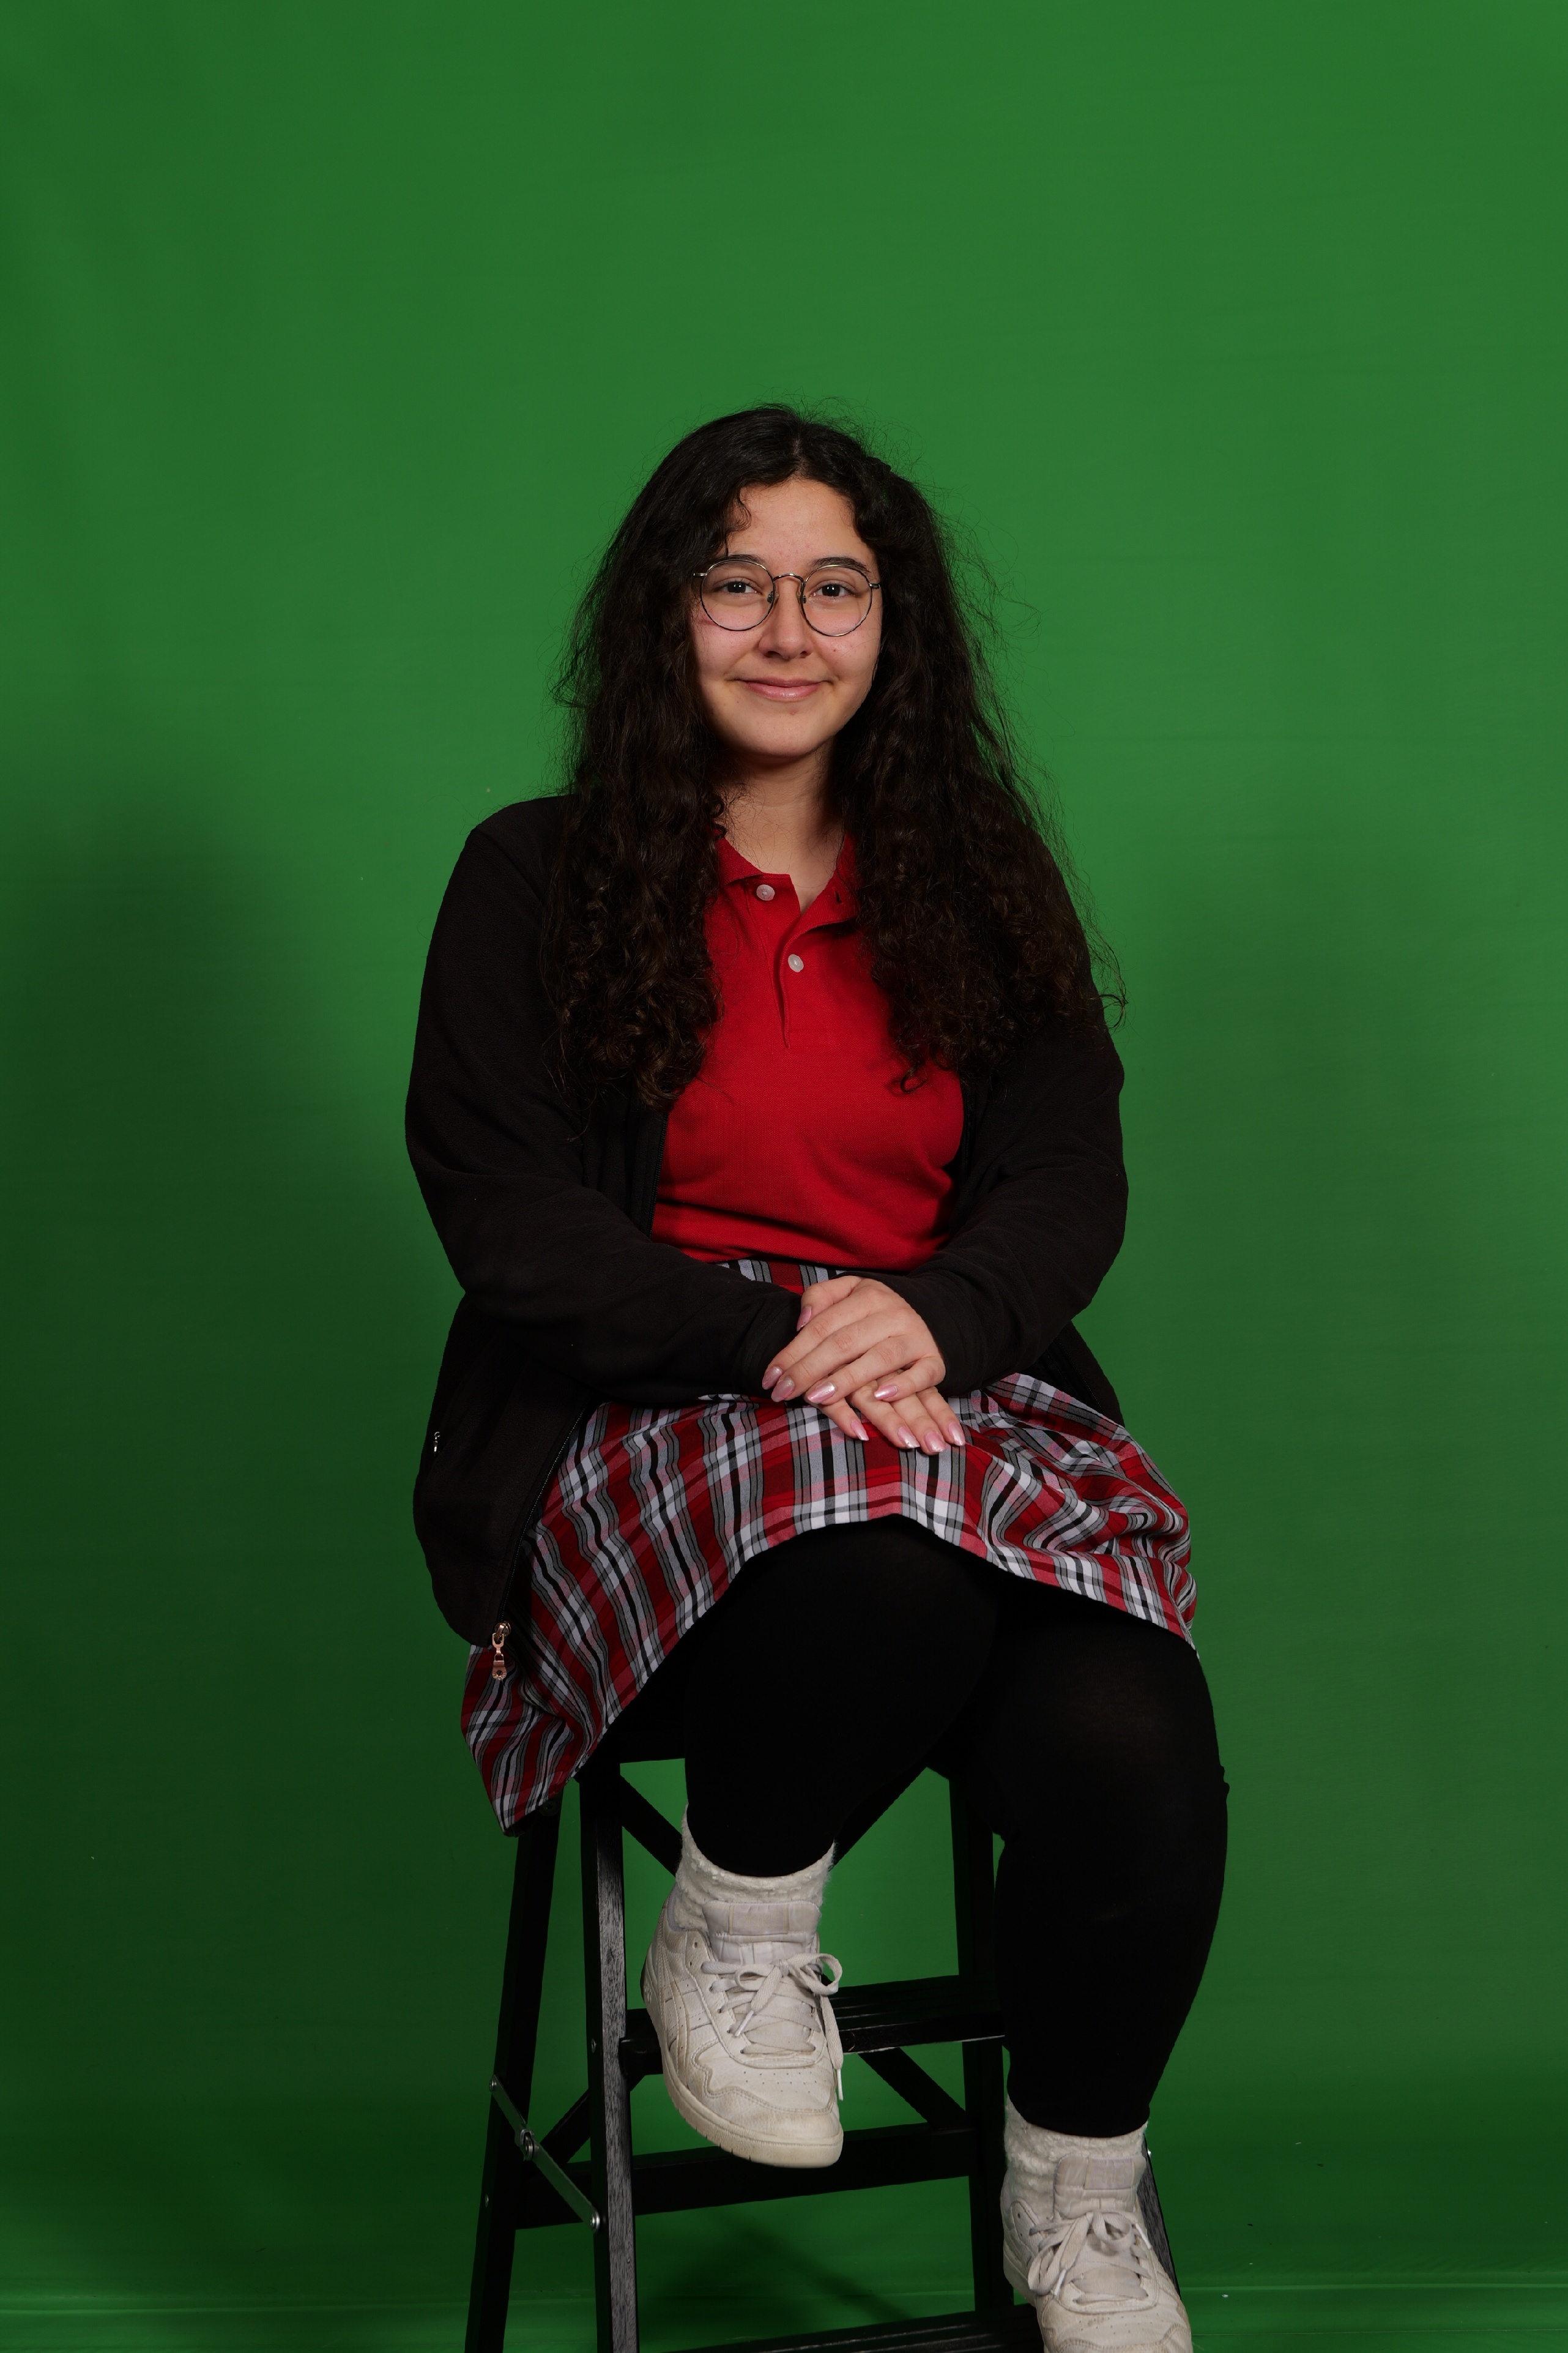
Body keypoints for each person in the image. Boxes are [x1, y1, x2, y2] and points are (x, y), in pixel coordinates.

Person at [407, 406, 1226, 2351]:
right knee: (879, 1556)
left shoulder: (976, 877)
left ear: (892, 625)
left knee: (1137, 1734)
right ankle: (745, 1913)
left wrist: (935, 1315)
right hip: (649, 1404)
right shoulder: (533, 874)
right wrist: (770, 1332)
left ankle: (1076, 2194)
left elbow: (1064, 1177)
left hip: (935, 1381)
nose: (788, 630)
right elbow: (504, 1208)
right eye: (738, 584)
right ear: (664, 615)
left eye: (834, 589)